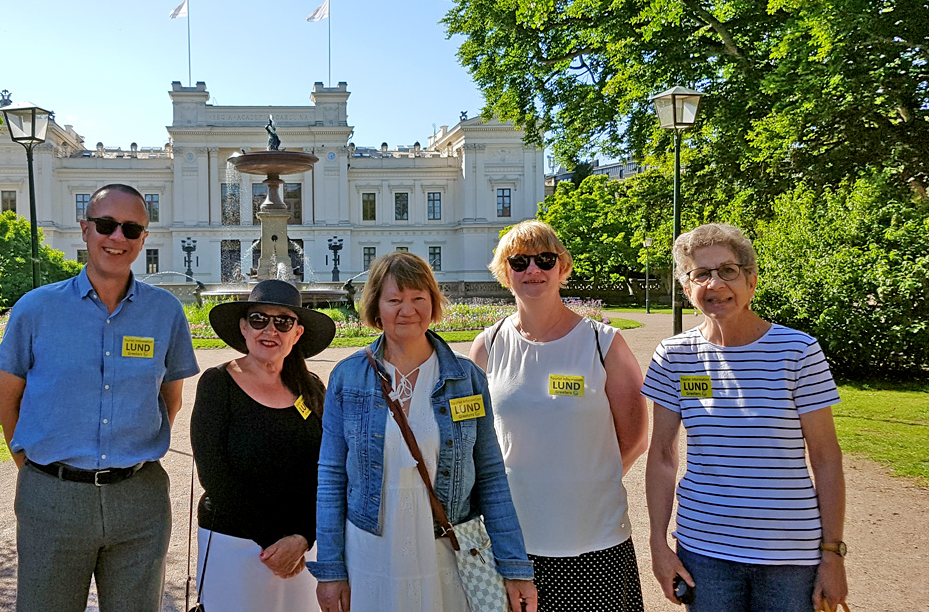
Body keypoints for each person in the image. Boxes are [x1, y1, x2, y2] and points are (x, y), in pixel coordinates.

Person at [0, 183, 200, 612]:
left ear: (143, 239)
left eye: (131, 228)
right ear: (85, 230)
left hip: (139, 499)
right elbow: (8, 396)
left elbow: (170, 399)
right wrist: (31, 465)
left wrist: (133, 452)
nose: (117, 237)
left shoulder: (165, 312)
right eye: (106, 225)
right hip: (52, 495)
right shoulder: (36, 308)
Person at [309, 251, 538, 612]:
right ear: (375, 307)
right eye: (394, 299)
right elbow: (331, 475)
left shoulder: (465, 379)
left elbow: (492, 476)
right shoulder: (348, 377)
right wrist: (331, 570)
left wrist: (515, 567)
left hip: (444, 549)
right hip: (370, 548)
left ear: (433, 303)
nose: (407, 310)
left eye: (418, 298)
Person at [644, 223, 848, 612]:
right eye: (700, 274)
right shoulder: (674, 356)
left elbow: (825, 457)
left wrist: (833, 553)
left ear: (751, 281)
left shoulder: (798, 352)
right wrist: (658, 545)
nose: (714, 283)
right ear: (687, 290)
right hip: (704, 551)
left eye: (727, 271)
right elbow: (663, 455)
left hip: (790, 554)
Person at [469, 219, 650, 612]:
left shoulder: (603, 344)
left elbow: (635, 438)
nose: (532, 270)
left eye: (545, 259)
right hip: (514, 538)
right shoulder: (488, 345)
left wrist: (587, 481)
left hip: (593, 536)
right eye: (519, 262)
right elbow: (477, 442)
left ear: (562, 268)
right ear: (505, 273)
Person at [190, 279, 337, 611]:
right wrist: (274, 541)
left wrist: (302, 537)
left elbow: (328, 469)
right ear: (243, 327)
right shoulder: (217, 384)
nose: (270, 329)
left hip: (301, 550)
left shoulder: (310, 389)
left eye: (282, 321)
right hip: (235, 544)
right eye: (259, 319)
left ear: (297, 333)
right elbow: (214, 475)